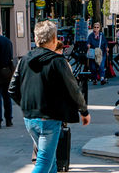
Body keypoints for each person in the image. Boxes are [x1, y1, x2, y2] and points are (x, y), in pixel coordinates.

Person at [9, 20, 91, 173]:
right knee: (44, 162)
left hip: (30, 118)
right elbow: (73, 88)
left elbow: (12, 89)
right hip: (49, 118)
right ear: (54, 39)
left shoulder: (24, 60)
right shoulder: (58, 61)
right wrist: (84, 111)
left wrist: (27, 105)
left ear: (35, 38)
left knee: (50, 160)